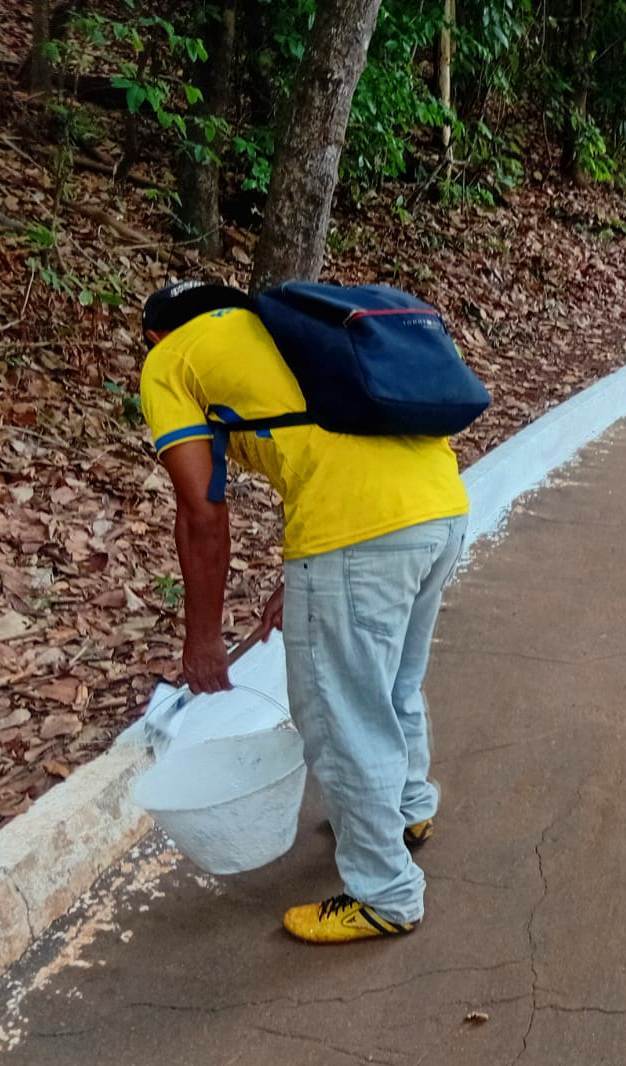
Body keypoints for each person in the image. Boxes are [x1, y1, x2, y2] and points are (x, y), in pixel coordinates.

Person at [139, 280, 470, 945]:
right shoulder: (287, 332)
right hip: (441, 509)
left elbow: (200, 515)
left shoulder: (171, 360)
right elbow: (317, 441)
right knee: (392, 686)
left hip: (358, 533)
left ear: (156, 336)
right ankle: (405, 811)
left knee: (341, 717)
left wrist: (202, 643)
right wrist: (305, 575)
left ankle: (384, 894)